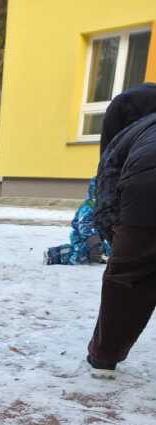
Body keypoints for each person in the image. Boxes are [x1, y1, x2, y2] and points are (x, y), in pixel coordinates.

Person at [87, 83, 156, 376]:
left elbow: (105, 202)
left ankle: (104, 356)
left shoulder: (125, 138)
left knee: (125, 278)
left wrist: (119, 245)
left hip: (146, 192)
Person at [44, 178, 110, 266]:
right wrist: (93, 239)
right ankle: (54, 254)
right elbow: (83, 224)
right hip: (82, 237)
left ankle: (101, 255)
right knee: (80, 255)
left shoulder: (104, 207)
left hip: (99, 237)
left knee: (106, 251)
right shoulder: (88, 207)